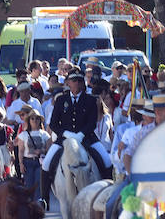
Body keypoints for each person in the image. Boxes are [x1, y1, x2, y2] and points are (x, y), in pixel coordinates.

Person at [40, 70, 114, 205]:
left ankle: (108, 195)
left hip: (86, 138)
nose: (77, 83)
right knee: (46, 163)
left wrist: (81, 134)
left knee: (106, 160)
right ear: (68, 83)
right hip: (64, 139)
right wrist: (66, 134)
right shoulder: (61, 100)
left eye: (80, 80)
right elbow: (54, 124)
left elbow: (92, 122)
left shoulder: (90, 100)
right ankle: (44, 199)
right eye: (74, 80)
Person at [17, 109, 51, 201]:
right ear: (29, 120)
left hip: (40, 162)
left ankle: (37, 205)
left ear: (40, 120)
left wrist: (42, 151)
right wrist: (21, 164)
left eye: (37, 118)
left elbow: (49, 149)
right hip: (27, 162)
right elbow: (20, 151)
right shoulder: (23, 135)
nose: (35, 120)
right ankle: (29, 206)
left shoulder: (45, 135)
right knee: (28, 186)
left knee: (38, 185)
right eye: (32, 118)